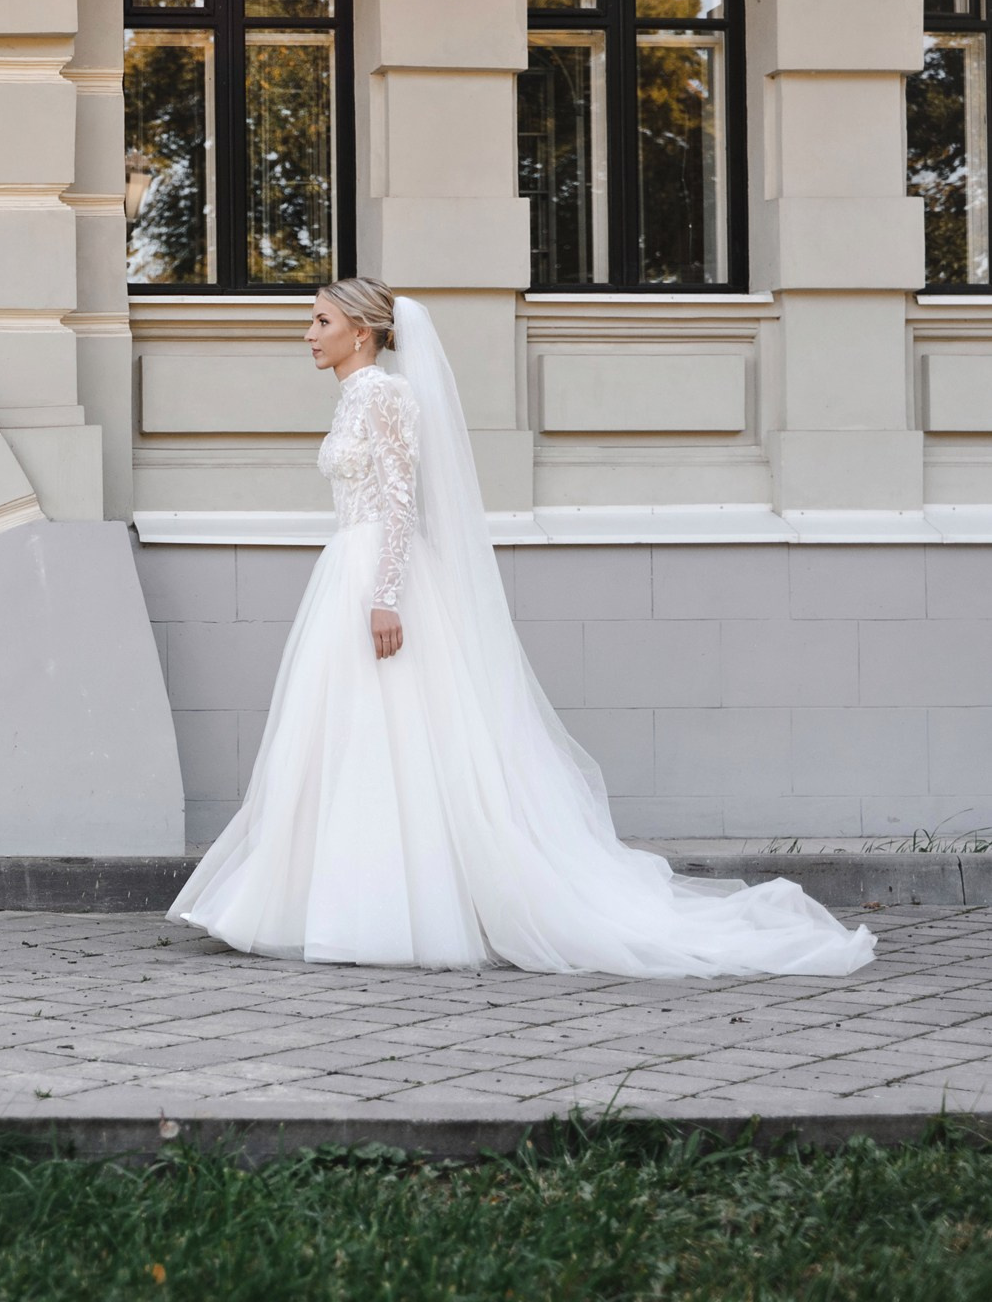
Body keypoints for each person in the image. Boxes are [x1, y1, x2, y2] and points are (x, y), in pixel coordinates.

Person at [168, 278, 874, 977]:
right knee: (348, 739)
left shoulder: (385, 395)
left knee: (391, 738)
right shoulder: (355, 397)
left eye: (320, 320)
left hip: (379, 578)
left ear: (362, 330)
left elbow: (400, 505)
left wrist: (386, 597)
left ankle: (388, 908)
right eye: (311, 321)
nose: (308, 333)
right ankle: (323, 902)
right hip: (347, 568)